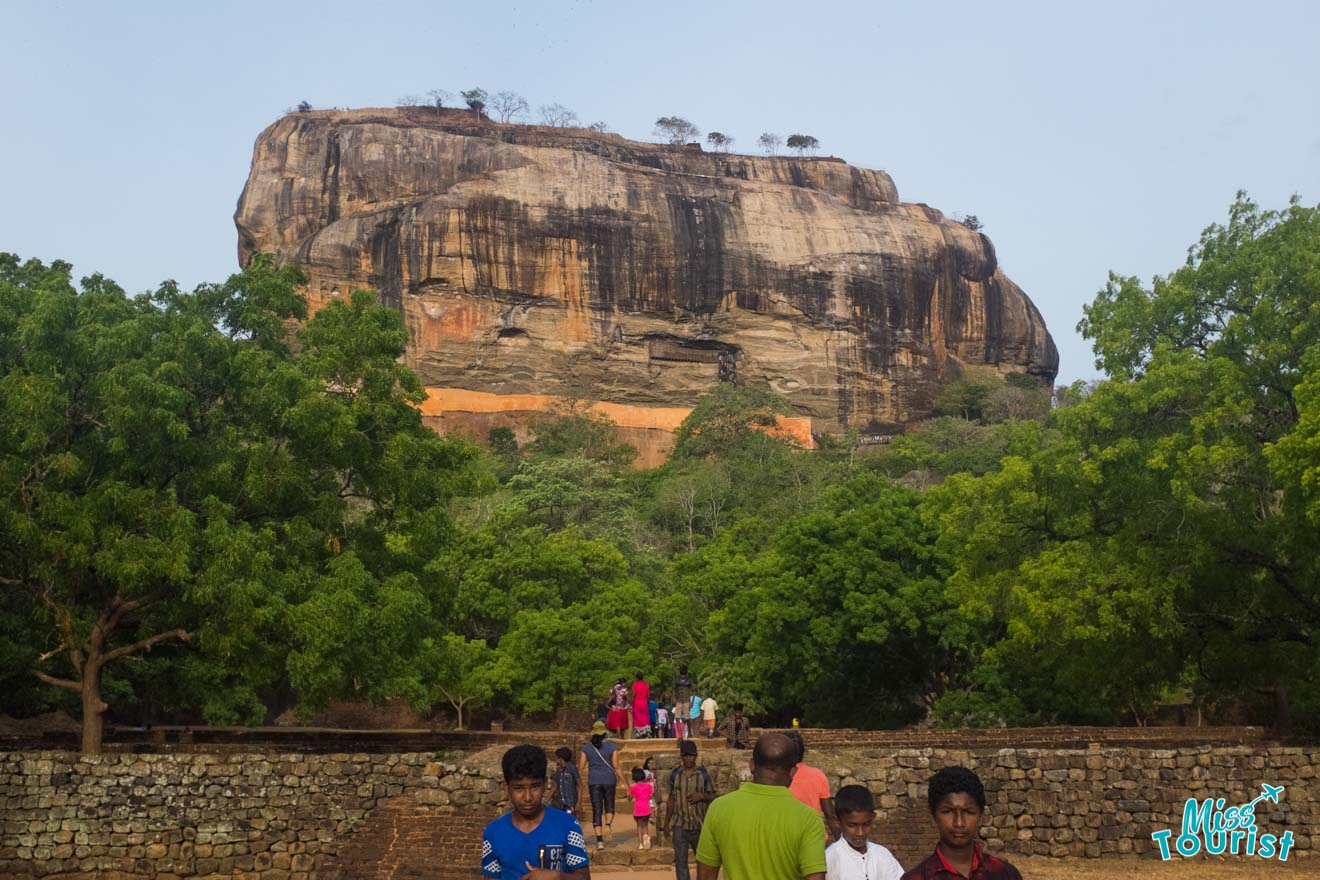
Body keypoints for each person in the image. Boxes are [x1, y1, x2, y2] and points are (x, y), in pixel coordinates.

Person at [694, 732, 826, 880]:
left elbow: (705, 876)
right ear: (793, 772)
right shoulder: (809, 819)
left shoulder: (718, 808)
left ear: (751, 765)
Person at [481, 744, 591, 879]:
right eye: (519, 788)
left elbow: (584, 877)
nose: (528, 797)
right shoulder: (493, 833)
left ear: (545, 784)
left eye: (535, 786)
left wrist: (557, 876)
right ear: (505, 787)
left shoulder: (568, 826)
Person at [901, 766, 1022, 880]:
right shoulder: (916, 877)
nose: (959, 823)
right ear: (933, 814)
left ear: (981, 815)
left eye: (969, 812)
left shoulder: (1005, 874)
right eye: (948, 811)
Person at [826, 785, 903, 880]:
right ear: (838, 821)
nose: (860, 833)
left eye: (866, 824)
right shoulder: (830, 859)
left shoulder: (882, 855)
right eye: (852, 825)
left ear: (873, 818)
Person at [665, 739, 716, 880]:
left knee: (703, 860)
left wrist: (702, 796)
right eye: (686, 756)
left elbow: (714, 796)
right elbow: (671, 799)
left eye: (691, 756)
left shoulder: (703, 775)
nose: (689, 758)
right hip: (680, 825)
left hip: (699, 825)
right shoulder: (675, 775)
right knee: (681, 862)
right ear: (681, 757)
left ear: (696, 756)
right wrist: (666, 824)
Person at [785, 730, 841, 842]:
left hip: (787, 841)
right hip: (815, 839)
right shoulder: (817, 775)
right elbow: (830, 816)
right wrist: (843, 846)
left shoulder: (778, 778)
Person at [577, 720, 623, 851]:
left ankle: (599, 841)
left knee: (597, 810)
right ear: (604, 733)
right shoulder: (612, 747)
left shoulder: (586, 748)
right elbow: (616, 766)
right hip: (609, 779)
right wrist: (626, 783)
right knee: (609, 806)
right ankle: (608, 825)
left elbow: (580, 768)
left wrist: (577, 781)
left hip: (594, 781)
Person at [549, 747, 581, 818]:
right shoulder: (559, 771)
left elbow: (579, 786)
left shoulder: (572, 769)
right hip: (560, 804)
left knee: (570, 823)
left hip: (570, 803)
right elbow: (555, 786)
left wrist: (578, 803)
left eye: (557, 758)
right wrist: (546, 800)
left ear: (560, 759)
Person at [629, 766, 655, 850]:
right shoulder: (648, 787)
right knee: (645, 826)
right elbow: (651, 796)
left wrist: (629, 795)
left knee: (639, 826)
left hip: (637, 811)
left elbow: (630, 798)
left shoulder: (633, 787)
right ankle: (646, 840)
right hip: (646, 810)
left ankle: (640, 844)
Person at [632, 674, 652, 739]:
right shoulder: (646, 685)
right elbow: (648, 696)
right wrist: (647, 702)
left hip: (637, 703)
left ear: (637, 678)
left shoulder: (635, 685)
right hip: (644, 703)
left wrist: (631, 703)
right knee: (645, 717)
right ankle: (647, 731)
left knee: (637, 718)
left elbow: (634, 695)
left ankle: (638, 734)